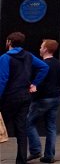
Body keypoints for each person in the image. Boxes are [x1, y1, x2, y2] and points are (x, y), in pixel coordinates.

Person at [0, 32, 49, 164]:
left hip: (9, 97)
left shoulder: (5, 58)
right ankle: (21, 160)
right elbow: (44, 67)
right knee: (21, 128)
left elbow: (2, 79)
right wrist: (34, 83)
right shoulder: (28, 56)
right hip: (24, 96)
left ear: (9, 42)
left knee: (2, 125)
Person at [27, 39, 60, 163]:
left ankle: (36, 149)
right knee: (51, 126)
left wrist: (33, 95)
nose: (40, 49)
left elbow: (39, 83)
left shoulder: (42, 65)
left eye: (41, 47)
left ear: (46, 49)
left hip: (43, 99)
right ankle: (49, 155)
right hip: (56, 97)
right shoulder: (58, 64)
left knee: (28, 122)